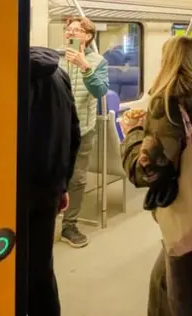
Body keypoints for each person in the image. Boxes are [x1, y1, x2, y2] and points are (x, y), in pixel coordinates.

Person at [120, 36, 192, 316]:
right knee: (162, 281)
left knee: (190, 301)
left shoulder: (169, 101)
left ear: (167, 61)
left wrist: (133, 133)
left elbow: (146, 171)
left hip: (186, 207)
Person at [28, 46, 81, 316]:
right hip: (49, 187)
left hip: (11, 191)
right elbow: (72, 135)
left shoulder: (7, 78)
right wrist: (63, 184)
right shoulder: (59, 75)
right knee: (41, 267)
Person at [59, 16, 109, 248]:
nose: (70, 33)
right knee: (51, 174)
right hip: (56, 128)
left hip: (82, 129)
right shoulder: (55, 60)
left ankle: (70, 225)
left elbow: (100, 91)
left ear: (88, 36)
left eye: (76, 30)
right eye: (68, 29)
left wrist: (85, 67)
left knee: (77, 179)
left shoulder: (98, 61)